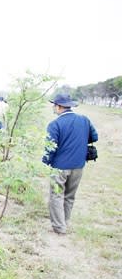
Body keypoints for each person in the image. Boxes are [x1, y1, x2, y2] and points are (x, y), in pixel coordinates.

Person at [42, 94, 98, 235]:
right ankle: (65, 222)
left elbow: (51, 148)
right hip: (79, 165)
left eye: (54, 105)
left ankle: (59, 228)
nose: (53, 108)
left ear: (59, 106)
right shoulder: (84, 120)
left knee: (56, 195)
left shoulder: (54, 124)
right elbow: (94, 137)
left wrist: (45, 162)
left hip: (60, 167)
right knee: (69, 196)